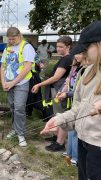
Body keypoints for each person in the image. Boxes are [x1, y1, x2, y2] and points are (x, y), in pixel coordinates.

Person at [41, 21, 101, 180]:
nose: (84, 54)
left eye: (87, 48)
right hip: (84, 140)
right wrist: (59, 119)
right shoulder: (88, 72)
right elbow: (79, 108)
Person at [32, 37, 73, 152]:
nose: (58, 49)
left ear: (68, 47)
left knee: (61, 115)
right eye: (57, 46)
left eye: (61, 47)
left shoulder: (66, 59)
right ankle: (57, 137)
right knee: (57, 113)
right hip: (58, 89)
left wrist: (39, 84)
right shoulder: (65, 58)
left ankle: (60, 143)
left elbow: (56, 77)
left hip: (60, 90)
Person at [0, 27, 35, 147]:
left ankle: (21, 134)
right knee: (13, 107)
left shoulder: (26, 47)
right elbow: (3, 66)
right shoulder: (7, 48)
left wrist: (12, 82)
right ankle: (15, 129)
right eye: (9, 39)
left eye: (13, 39)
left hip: (21, 83)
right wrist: (3, 82)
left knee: (19, 107)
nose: (11, 42)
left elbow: (27, 68)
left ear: (19, 35)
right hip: (9, 83)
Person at [56, 52, 91, 166]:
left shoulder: (87, 70)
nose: (77, 56)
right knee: (71, 129)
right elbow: (68, 82)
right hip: (72, 103)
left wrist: (67, 94)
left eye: (80, 54)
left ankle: (76, 157)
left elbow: (82, 91)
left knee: (76, 130)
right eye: (76, 54)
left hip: (81, 103)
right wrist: (62, 91)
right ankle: (70, 152)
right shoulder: (75, 68)